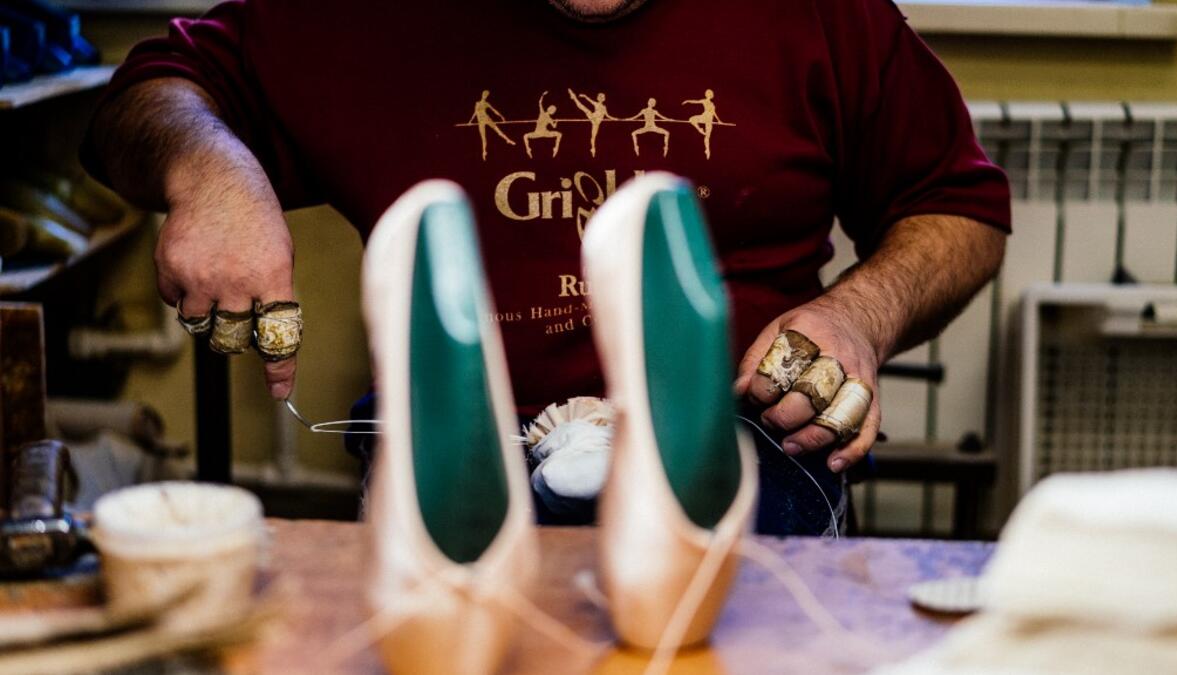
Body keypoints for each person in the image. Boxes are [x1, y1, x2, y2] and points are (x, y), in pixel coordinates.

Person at [83, 0, 1010, 535]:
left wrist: (862, 312)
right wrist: (209, 167)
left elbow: (959, 206)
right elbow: (147, 93)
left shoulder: (817, 12)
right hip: (461, 429)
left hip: (740, 430)